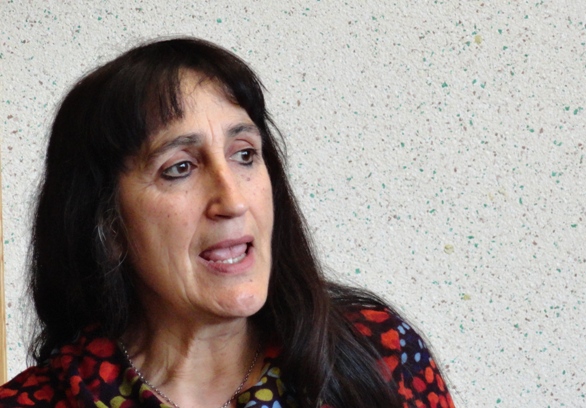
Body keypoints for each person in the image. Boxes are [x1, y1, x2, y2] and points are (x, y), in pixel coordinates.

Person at [0, 38, 454, 408]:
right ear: (107, 226)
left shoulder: (380, 356)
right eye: (180, 168)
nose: (232, 200)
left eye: (245, 155)